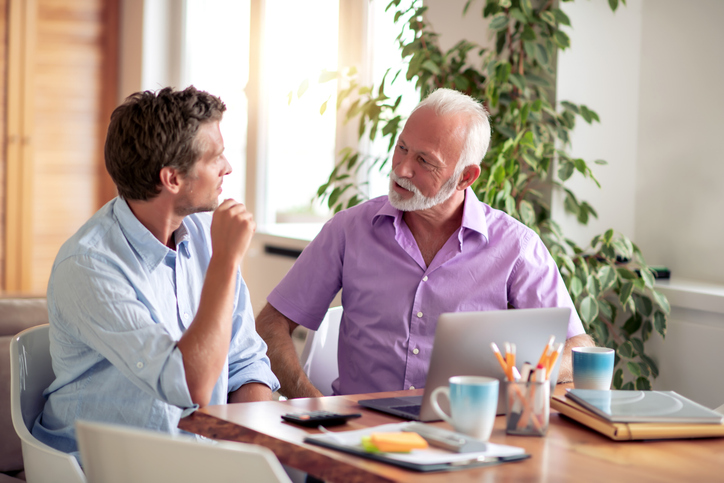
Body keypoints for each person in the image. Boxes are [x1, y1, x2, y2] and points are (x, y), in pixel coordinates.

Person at [257, 88, 593, 398]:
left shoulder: (516, 248)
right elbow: (271, 324)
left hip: (466, 440)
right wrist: (314, 405)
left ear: (466, 177)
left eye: (424, 161)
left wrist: (521, 377)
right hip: (359, 437)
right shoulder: (348, 230)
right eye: (402, 148)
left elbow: (578, 348)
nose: (401, 169)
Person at [33, 86, 279, 457]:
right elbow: (187, 384)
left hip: (194, 459)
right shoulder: (89, 265)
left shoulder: (205, 236)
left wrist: (258, 449)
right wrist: (226, 263)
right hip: (101, 466)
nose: (227, 167)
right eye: (216, 157)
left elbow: (245, 362)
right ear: (172, 179)